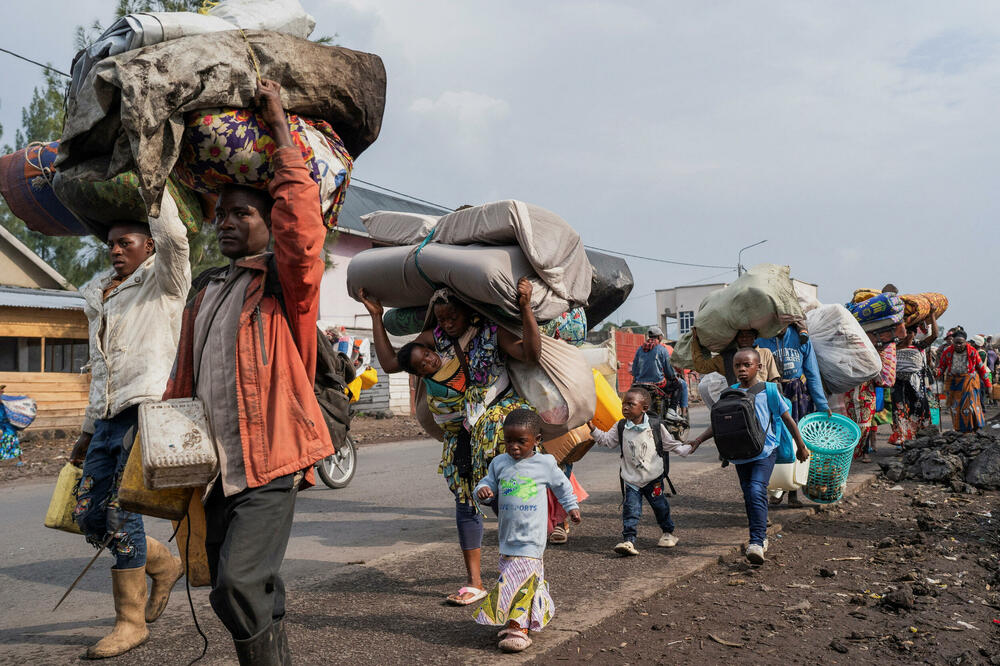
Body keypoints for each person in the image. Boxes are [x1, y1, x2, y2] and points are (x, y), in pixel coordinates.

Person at [160, 80, 334, 664]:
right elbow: (183, 380)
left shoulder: (286, 288)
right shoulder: (207, 290)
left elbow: (303, 234)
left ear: (268, 221)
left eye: (243, 214)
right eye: (223, 215)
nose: (226, 224)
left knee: (238, 584)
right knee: (235, 587)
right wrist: (159, 447)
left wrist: (281, 130)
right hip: (213, 469)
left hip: (269, 466)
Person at [360, 279, 542, 607]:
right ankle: (474, 582)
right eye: (441, 319)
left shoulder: (492, 332)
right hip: (461, 435)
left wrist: (526, 306)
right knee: (466, 500)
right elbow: (391, 363)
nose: (446, 324)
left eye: (452, 318)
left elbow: (530, 353)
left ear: (469, 312)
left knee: (508, 502)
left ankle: (521, 570)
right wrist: (376, 315)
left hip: (499, 429)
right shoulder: (434, 340)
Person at [68, 190, 190, 657]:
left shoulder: (164, 283)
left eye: (127, 243)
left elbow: (176, 238)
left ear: (150, 247)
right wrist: (85, 431)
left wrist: (154, 186)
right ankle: (163, 563)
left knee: (122, 515)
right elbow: (100, 370)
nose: (117, 251)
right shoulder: (103, 297)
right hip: (106, 418)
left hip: (147, 410)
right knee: (88, 516)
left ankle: (130, 622)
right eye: (112, 245)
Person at [686, 348, 810, 565]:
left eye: (747, 365)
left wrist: (801, 446)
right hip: (740, 453)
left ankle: (757, 541)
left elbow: (788, 419)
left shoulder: (771, 391)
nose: (742, 369)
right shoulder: (730, 392)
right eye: (737, 366)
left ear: (758, 367)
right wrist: (697, 440)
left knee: (755, 489)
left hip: (765, 451)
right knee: (750, 495)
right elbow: (717, 423)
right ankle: (760, 535)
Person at [473, 409, 580, 653]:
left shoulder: (545, 463)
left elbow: (563, 486)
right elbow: (486, 482)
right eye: (508, 440)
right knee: (522, 578)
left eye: (521, 441)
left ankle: (517, 628)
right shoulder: (499, 463)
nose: (514, 447)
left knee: (517, 579)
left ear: (537, 440)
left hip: (532, 537)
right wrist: (482, 490)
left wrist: (571, 507)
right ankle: (538, 613)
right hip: (508, 536)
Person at [589, 387, 692, 556]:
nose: (625, 407)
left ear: (644, 408)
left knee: (660, 507)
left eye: (631, 404)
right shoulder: (621, 426)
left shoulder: (655, 425)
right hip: (632, 480)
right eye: (624, 403)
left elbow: (670, 445)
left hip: (654, 479)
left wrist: (688, 448)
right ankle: (629, 540)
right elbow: (607, 441)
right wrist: (593, 429)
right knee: (630, 510)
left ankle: (668, 532)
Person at [890, 316, 938, 445]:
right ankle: (902, 438)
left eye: (910, 332)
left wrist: (932, 315)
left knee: (918, 408)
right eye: (904, 332)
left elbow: (935, 335)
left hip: (915, 382)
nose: (907, 335)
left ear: (915, 334)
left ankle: (915, 438)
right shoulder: (893, 345)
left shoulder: (919, 345)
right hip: (898, 382)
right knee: (898, 410)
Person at [936, 328, 992, 433]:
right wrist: (937, 372)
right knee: (955, 408)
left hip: (969, 382)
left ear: (965, 342)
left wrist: (988, 385)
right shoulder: (947, 352)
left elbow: (981, 369)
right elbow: (941, 368)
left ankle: (972, 430)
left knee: (970, 407)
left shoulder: (972, 352)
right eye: (956, 343)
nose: (958, 345)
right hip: (953, 383)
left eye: (960, 343)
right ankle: (959, 430)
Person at [690, 327, 780, 386]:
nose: (744, 338)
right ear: (736, 339)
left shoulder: (765, 353)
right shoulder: (727, 357)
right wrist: (695, 341)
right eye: (741, 336)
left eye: (748, 335)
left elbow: (774, 379)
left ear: (754, 337)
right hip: (738, 402)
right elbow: (701, 367)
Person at [631, 326, 682, 417]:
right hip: (657, 383)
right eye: (661, 336)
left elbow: (634, 370)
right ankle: (671, 410)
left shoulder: (639, 349)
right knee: (678, 386)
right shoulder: (661, 349)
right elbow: (669, 371)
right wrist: (673, 378)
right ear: (659, 337)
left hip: (640, 384)